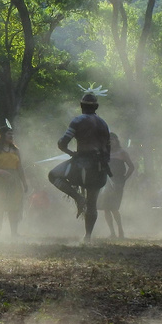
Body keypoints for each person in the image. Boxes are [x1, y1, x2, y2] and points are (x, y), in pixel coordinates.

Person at [49, 92, 111, 241]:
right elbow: (108, 147)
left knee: (53, 175)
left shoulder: (78, 121)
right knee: (92, 203)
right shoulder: (103, 123)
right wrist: (104, 163)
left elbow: (62, 143)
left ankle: (78, 197)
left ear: (82, 106)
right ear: (96, 107)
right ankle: (88, 236)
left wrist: (71, 153)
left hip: (81, 163)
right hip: (99, 167)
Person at [98, 131, 135, 238]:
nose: (110, 142)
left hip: (118, 182)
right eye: (108, 141)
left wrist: (124, 179)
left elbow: (131, 167)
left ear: (116, 141)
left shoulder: (122, 153)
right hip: (106, 182)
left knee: (114, 208)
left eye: (112, 140)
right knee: (106, 208)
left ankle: (120, 230)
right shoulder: (105, 153)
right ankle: (112, 232)